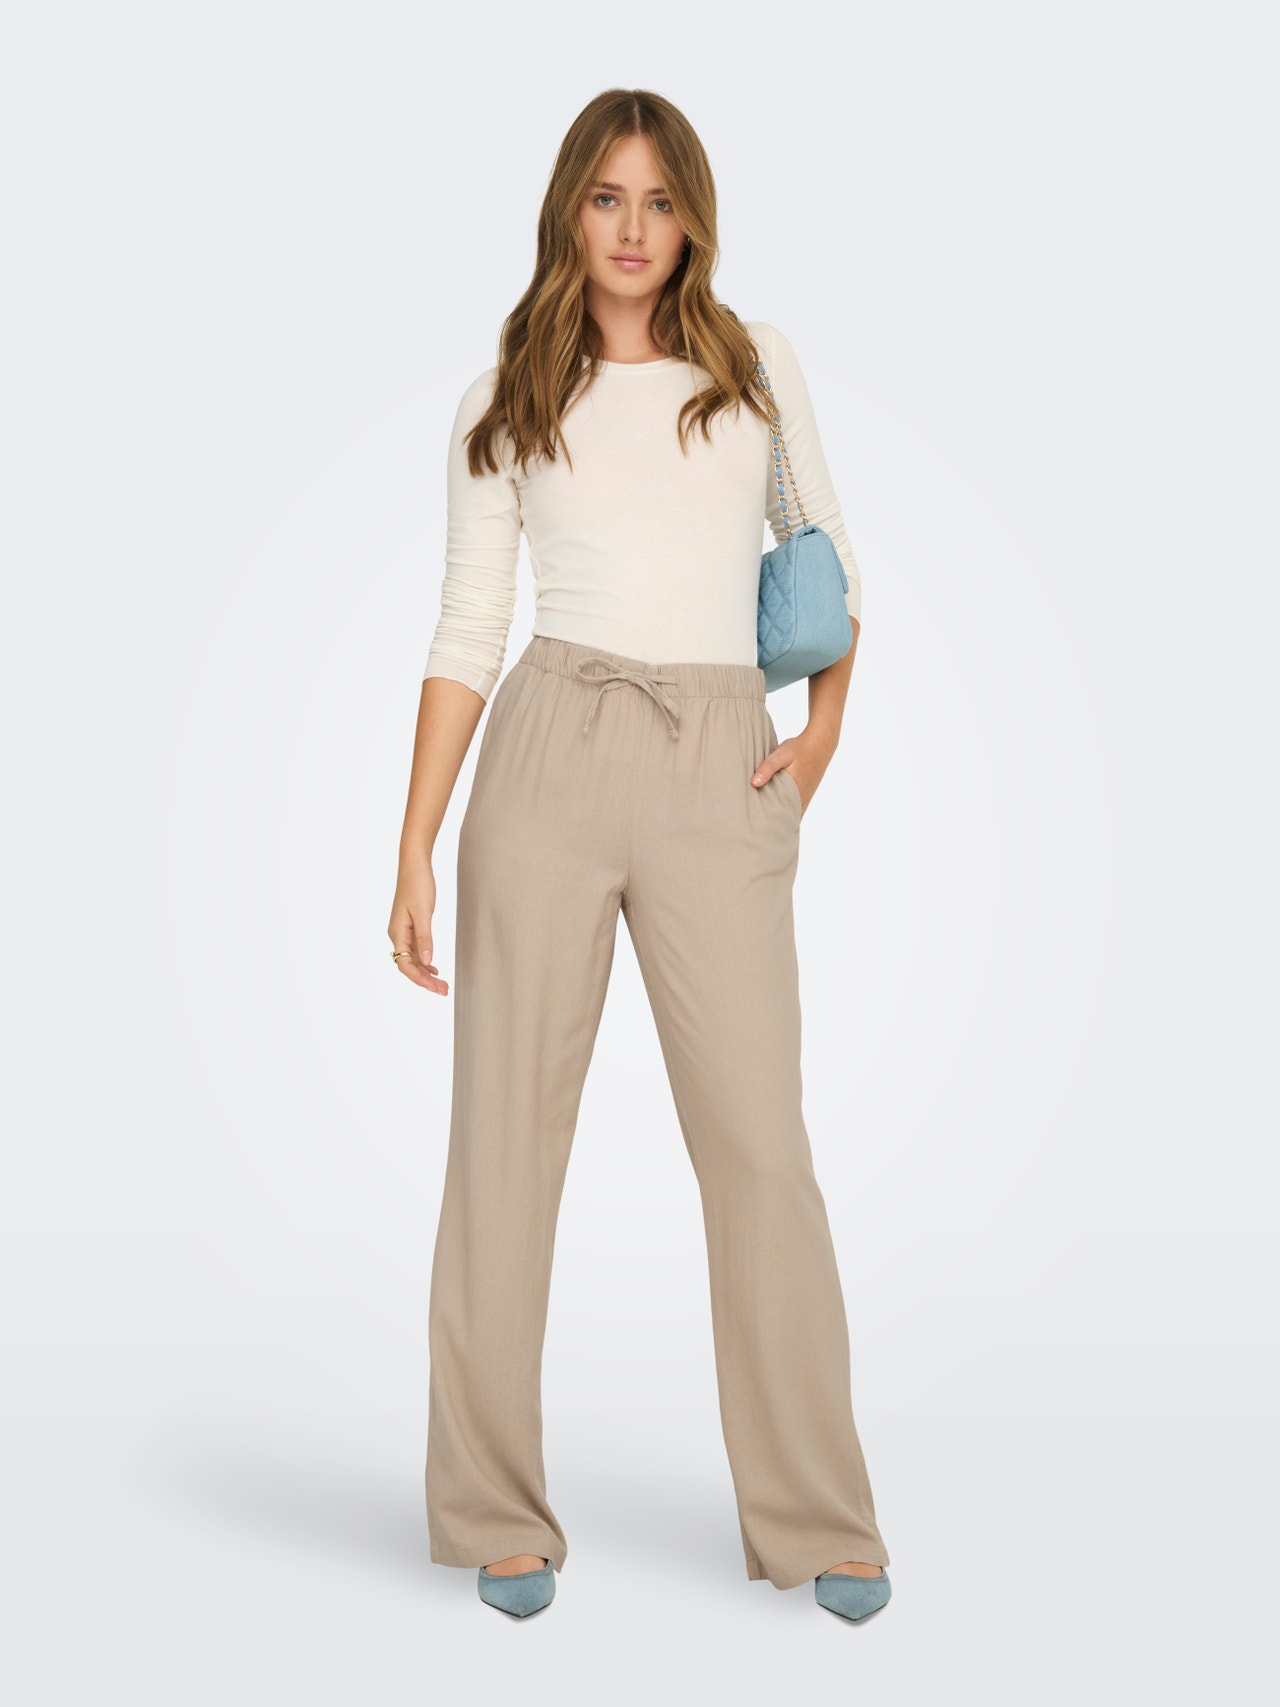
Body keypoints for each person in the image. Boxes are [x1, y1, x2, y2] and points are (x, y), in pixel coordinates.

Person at [389, 87, 893, 1622]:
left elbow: (827, 562)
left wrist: (821, 737)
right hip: (549, 746)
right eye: (607, 197)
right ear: (570, 210)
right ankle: (495, 1511)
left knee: (759, 1147)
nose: (632, 227)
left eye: (659, 200)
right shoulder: (506, 393)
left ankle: (819, 1517)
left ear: (693, 218)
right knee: (504, 1145)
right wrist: (414, 843)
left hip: (718, 757)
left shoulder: (754, 364)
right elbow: (469, 624)